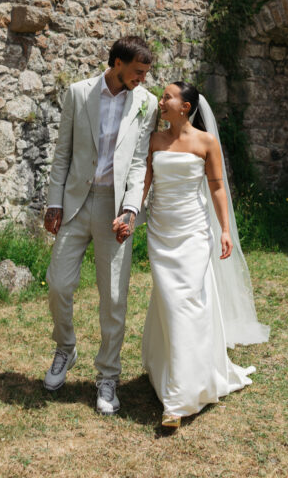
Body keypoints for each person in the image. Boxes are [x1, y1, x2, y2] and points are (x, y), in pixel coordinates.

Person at [115, 81, 269, 428]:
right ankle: (170, 368)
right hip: (161, 234)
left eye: (168, 96)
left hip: (195, 234)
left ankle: (180, 400)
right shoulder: (154, 141)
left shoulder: (206, 142)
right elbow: (143, 184)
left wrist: (225, 229)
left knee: (188, 303)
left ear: (185, 107)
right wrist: (130, 215)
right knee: (170, 302)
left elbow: (216, 186)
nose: (161, 100)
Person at [43, 35, 158, 415]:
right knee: (58, 282)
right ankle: (66, 349)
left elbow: (140, 162)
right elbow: (63, 152)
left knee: (113, 297)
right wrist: (54, 202)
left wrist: (130, 210)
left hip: (115, 208)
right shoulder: (79, 93)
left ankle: (108, 375)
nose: (143, 78)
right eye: (138, 71)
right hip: (76, 202)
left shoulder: (147, 103)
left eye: (145, 72)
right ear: (117, 63)